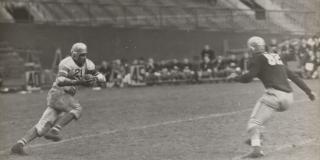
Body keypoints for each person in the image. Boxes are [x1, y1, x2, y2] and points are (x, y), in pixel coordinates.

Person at [10, 42, 106, 155]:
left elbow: (98, 75)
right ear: (74, 55)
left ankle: (19, 144)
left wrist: (99, 79)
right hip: (58, 93)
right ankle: (55, 130)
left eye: (85, 54)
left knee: (42, 127)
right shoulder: (66, 63)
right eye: (81, 55)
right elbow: (60, 81)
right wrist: (79, 81)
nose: (84, 57)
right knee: (77, 108)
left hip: (65, 97)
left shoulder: (88, 64)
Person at [229, 36, 316, 158]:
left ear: (252, 48)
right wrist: (309, 91)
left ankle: (256, 150)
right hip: (289, 98)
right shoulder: (276, 56)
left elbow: (249, 77)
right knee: (261, 117)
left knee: (253, 124)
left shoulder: (258, 58)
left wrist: (235, 78)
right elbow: (293, 76)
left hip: (274, 96)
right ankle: (258, 137)